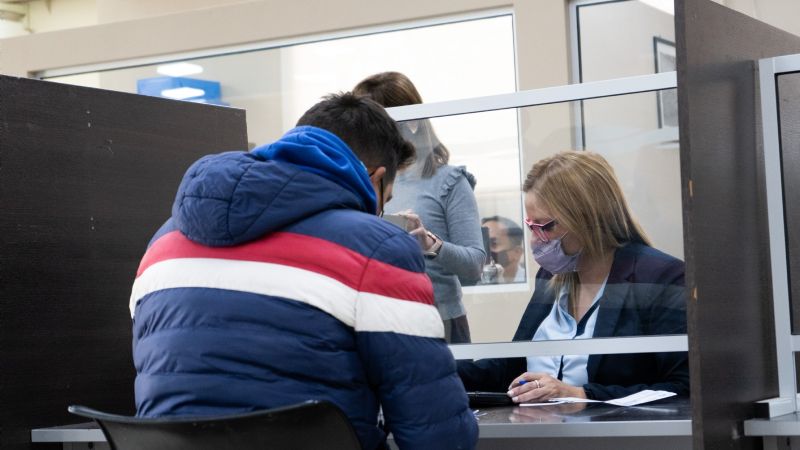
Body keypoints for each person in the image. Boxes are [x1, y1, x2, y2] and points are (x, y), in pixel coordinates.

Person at [129, 93, 478, 450]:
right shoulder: (377, 246)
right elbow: (439, 436)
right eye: (384, 203)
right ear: (376, 178)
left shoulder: (162, 245)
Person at [458, 151, 688, 401]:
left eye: (546, 226)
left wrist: (579, 395)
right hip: (542, 424)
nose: (535, 240)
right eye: (531, 226)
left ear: (588, 219)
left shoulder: (660, 278)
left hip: (613, 427)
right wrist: (440, 369)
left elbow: (685, 388)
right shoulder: (551, 277)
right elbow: (512, 367)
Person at [353, 72, 485, 344]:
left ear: (411, 122)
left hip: (438, 322)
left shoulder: (449, 181)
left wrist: (430, 244)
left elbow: (474, 265)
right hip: (375, 320)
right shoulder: (360, 181)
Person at [481, 215, 526, 283]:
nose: (483, 250)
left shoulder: (531, 283)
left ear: (517, 252)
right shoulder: (471, 285)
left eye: (494, 243)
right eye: (481, 244)